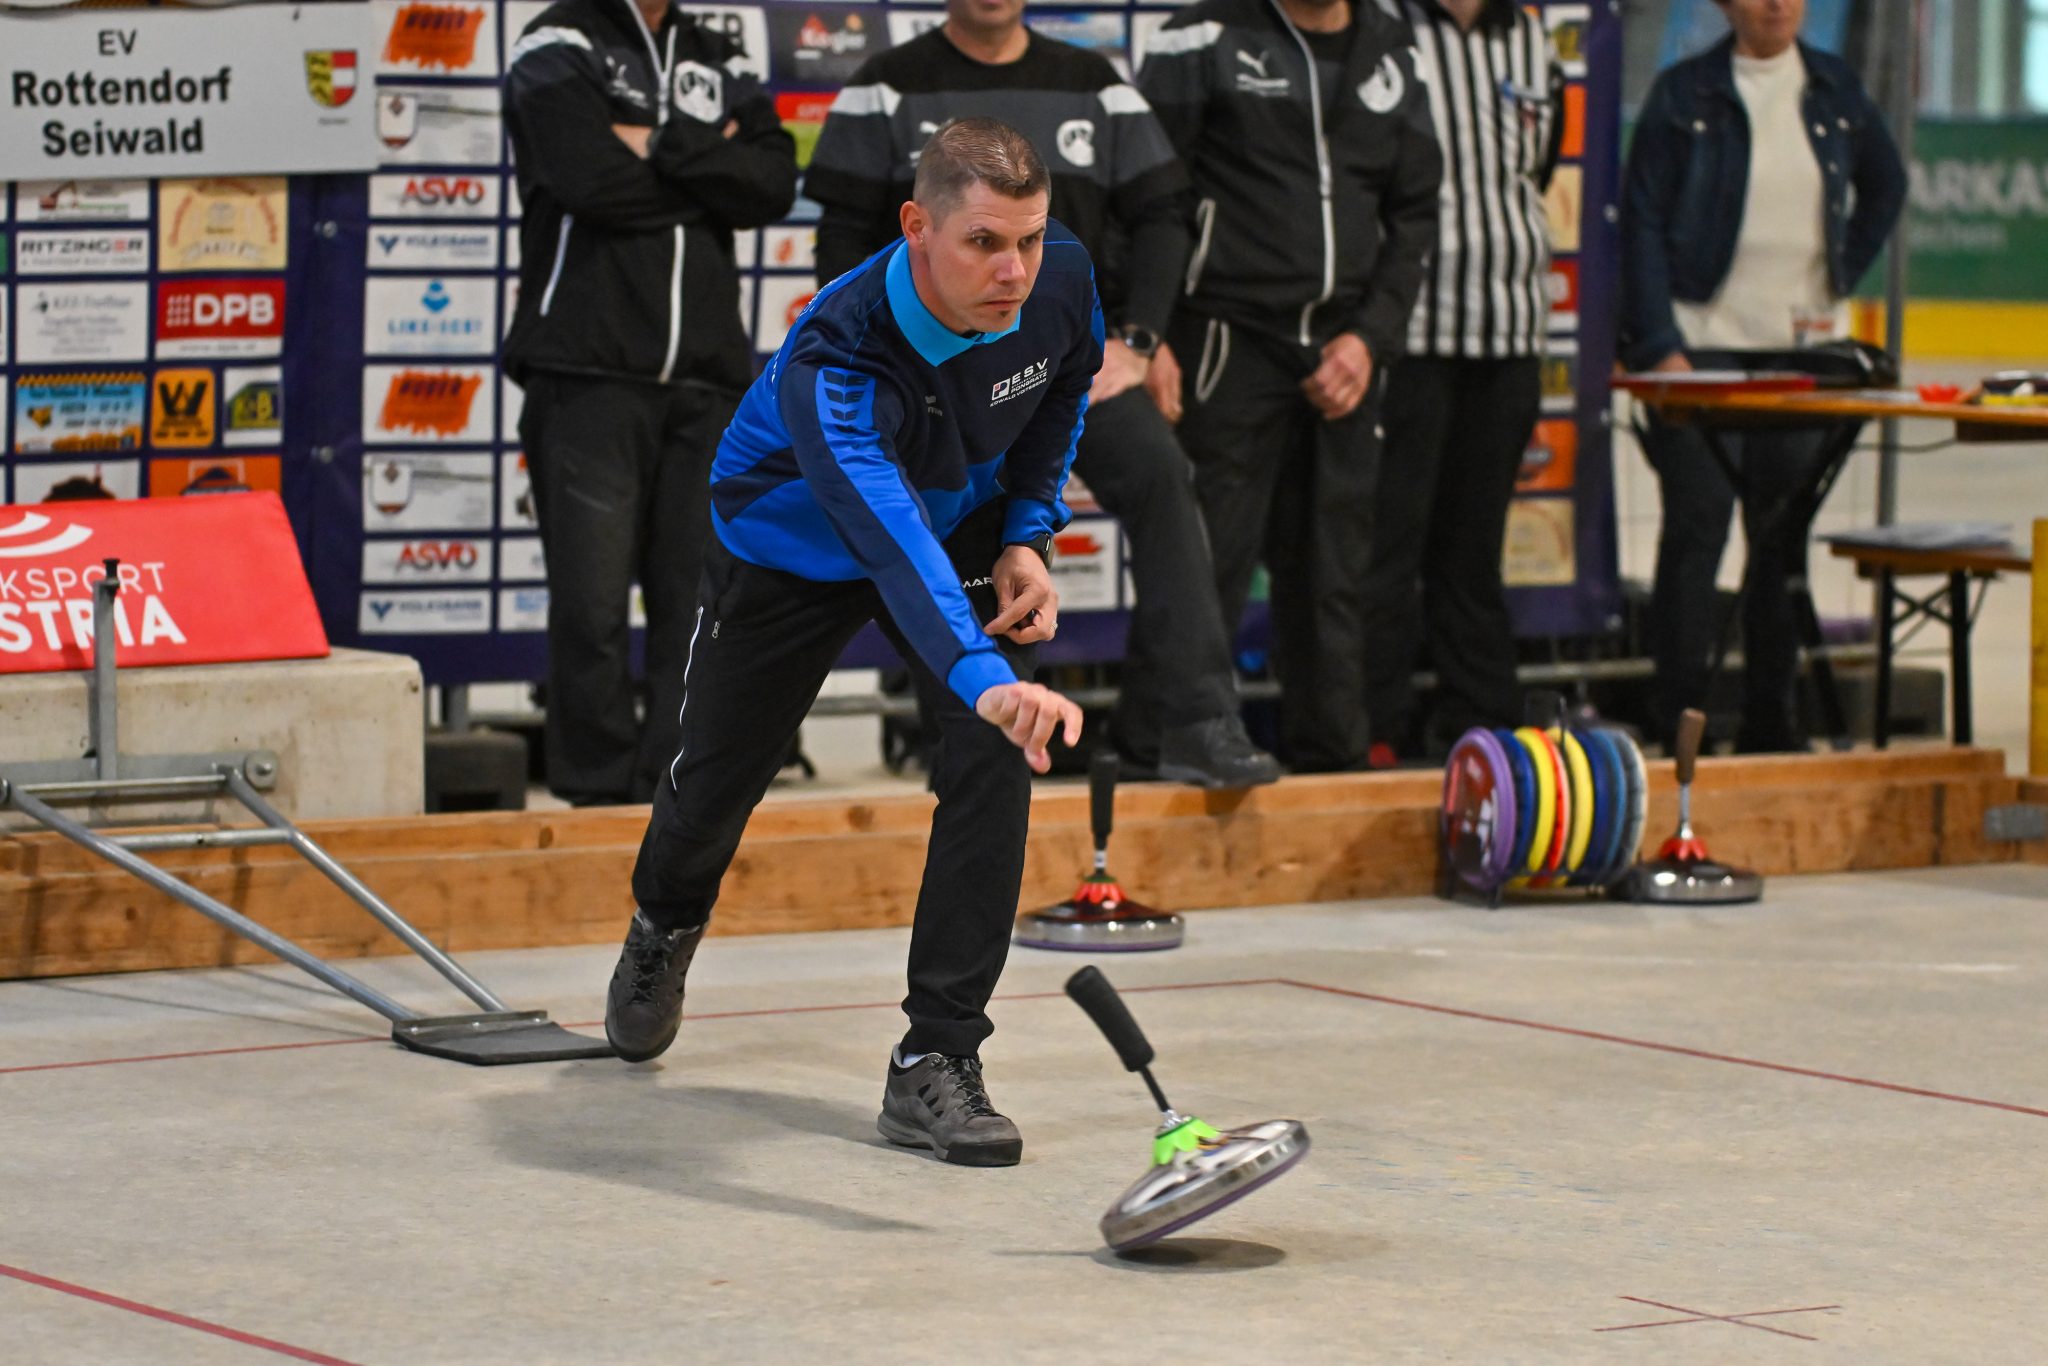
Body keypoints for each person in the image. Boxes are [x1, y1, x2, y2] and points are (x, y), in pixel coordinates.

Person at [604, 120, 1099, 1169]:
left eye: (1028, 238)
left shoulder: (1056, 279)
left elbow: (1060, 390)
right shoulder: (839, 359)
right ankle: (662, 924)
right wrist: (983, 676)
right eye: (981, 244)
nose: (1012, 271)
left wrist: (1023, 532)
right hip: (792, 540)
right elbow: (886, 540)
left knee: (993, 755)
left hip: (955, 515)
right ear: (916, 226)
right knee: (712, 786)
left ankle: (935, 1056)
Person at [803, 0, 1280, 788]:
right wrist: (893, 362)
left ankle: (1192, 720)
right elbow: (843, 240)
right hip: (934, 383)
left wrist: (1139, 341)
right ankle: (965, 736)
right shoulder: (884, 84)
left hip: (1064, 368)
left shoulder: (1095, 84)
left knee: (1163, 476)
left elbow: (1163, 216)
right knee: (952, 532)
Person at [503, 0, 798, 804]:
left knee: (695, 606)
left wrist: (661, 144)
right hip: (587, 371)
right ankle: (595, 789)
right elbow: (582, 176)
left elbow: (772, 182)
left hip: (706, 381)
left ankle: (678, 783)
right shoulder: (559, 37)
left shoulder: (720, 56)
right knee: (590, 605)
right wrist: (711, 175)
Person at [1139, 0, 1442, 771]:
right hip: (1224, 339)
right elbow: (1145, 198)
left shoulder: (1392, 44)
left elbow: (1414, 212)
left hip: (1345, 349)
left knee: (1334, 574)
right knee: (1205, 565)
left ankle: (1330, 766)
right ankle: (1157, 755)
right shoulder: (1200, 33)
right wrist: (1151, 334)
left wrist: (1370, 338)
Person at [1620, 0, 1903, 751]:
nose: (1775, 4)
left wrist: (1842, 268)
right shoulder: (1684, 95)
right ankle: (1677, 721)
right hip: (1700, 350)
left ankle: (1773, 725)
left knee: (1780, 541)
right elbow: (1639, 220)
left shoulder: (1836, 88)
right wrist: (1657, 344)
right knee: (1697, 531)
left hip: (1803, 354)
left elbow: (1888, 185)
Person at [1359, 0, 1562, 765]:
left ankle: (1485, 732)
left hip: (1509, 331)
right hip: (1408, 333)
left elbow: (1537, 166)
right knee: (1388, 547)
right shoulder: (1382, 27)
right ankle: (1375, 730)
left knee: (1474, 551)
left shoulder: (1531, 36)